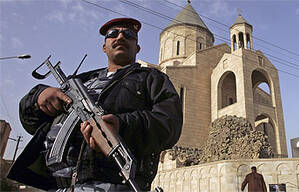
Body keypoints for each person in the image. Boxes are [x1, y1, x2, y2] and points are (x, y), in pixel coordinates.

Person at [8, 18, 183, 191]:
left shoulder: (152, 78)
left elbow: (169, 124)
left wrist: (122, 125)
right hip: (53, 184)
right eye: (113, 34)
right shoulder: (81, 80)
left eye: (128, 34)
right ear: (104, 47)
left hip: (111, 183)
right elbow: (30, 123)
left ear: (137, 47)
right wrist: (38, 97)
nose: (120, 37)